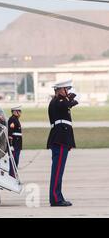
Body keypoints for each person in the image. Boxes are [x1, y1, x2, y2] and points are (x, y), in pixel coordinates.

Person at [47, 79, 78, 207]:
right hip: (59, 139)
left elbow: (69, 103)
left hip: (62, 139)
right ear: (60, 90)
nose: (68, 92)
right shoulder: (58, 101)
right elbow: (66, 105)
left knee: (59, 171)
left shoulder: (61, 101)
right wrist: (69, 99)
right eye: (66, 89)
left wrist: (70, 98)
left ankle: (57, 196)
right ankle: (55, 198)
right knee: (57, 170)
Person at [8, 105, 23, 177]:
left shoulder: (16, 119)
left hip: (17, 143)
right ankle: (12, 174)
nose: (20, 113)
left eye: (20, 111)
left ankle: (14, 174)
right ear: (14, 112)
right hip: (14, 144)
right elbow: (10, 133)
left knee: (16, 159)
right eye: (18, 111)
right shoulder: (12, 120)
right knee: (14, 159)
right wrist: (11, 145)